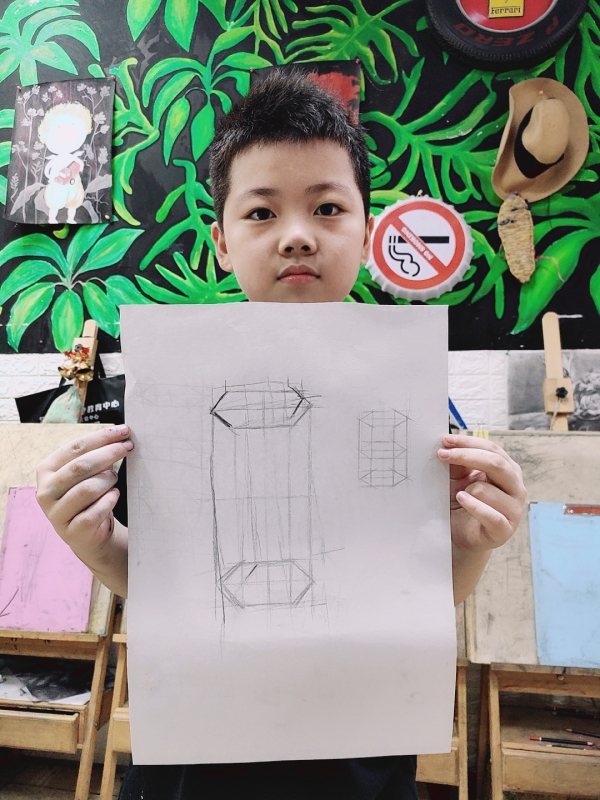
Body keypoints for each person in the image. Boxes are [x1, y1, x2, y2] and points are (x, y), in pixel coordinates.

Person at [36, 70, 527, 800]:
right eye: (261, 213)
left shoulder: (414, 398)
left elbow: (418, 591)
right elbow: (169, 583)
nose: (297, 236)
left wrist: (472, 543)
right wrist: (96, 544)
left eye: (328, 208)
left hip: (360, 763)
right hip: (196, 762)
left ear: (366, 230)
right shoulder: (164, 398)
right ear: (222, 241)